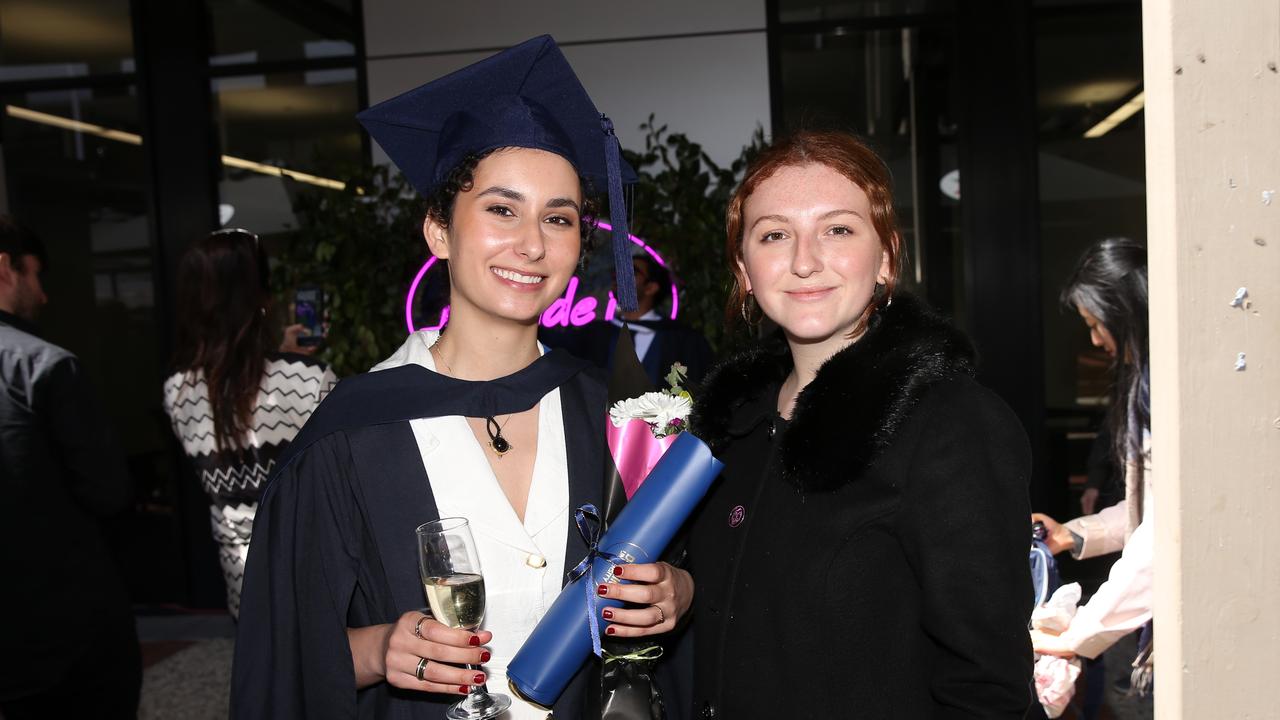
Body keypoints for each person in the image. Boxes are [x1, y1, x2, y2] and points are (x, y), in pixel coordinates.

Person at [231, 36, 692, 719]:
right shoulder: (350, 435)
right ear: (439, 232)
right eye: (501, 209)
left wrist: (679, 591)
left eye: (558, 218)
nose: (532, 244)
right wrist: (375, 647)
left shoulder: (617, 418)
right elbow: (280, 652)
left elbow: (690, 586)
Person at [687, 131, 1034, 718]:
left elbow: (988, 689)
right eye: (774, 235)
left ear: (887, 259)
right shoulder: (731, 431)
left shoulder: (949, 424)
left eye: (838, 229)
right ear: (744, 270)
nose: (804, 260)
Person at [0, 215, 141, 717]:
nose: (42, 294)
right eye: (34, 274)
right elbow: (107, 491)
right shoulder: (43, 366)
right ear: (5, 269)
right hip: (61, 631)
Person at [162, 227, 337, 618]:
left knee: (262, 672)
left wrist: (284, 357)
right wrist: (294, 361)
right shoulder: (309, 378)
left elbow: (242, 399)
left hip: (239, 572)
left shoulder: (176, 389)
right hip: (312, 567)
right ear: (259, 299)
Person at [1029, 238, 1153, 665]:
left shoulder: (1163, 389)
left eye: (1097, 324)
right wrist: (1071, 534)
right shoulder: (1146, 385)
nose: (1097, 341)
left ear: (1129, 312)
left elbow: (1164, 535)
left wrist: (1079, 635)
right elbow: (1153, 513)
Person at [547, 252, 714, 386]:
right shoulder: (594, 335)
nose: (619, 274)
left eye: (632, 271)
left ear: (650, 287)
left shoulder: (684, 341)